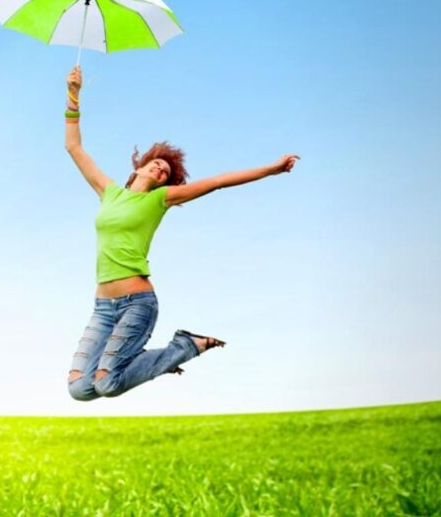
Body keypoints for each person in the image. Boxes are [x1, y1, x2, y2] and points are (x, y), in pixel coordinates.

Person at [63, 66, 300, 401]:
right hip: (103, 306)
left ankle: (185, 346)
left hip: (137, 303)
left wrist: (271, 170)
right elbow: (74, 147)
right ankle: (157, 362)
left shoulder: (159, 200)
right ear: (139, 166)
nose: (161, 168)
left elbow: (217, 182)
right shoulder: (110, 192)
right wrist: (74, 92)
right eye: (156, 163)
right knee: (80, 389)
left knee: (107, 383)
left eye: (167, 171)